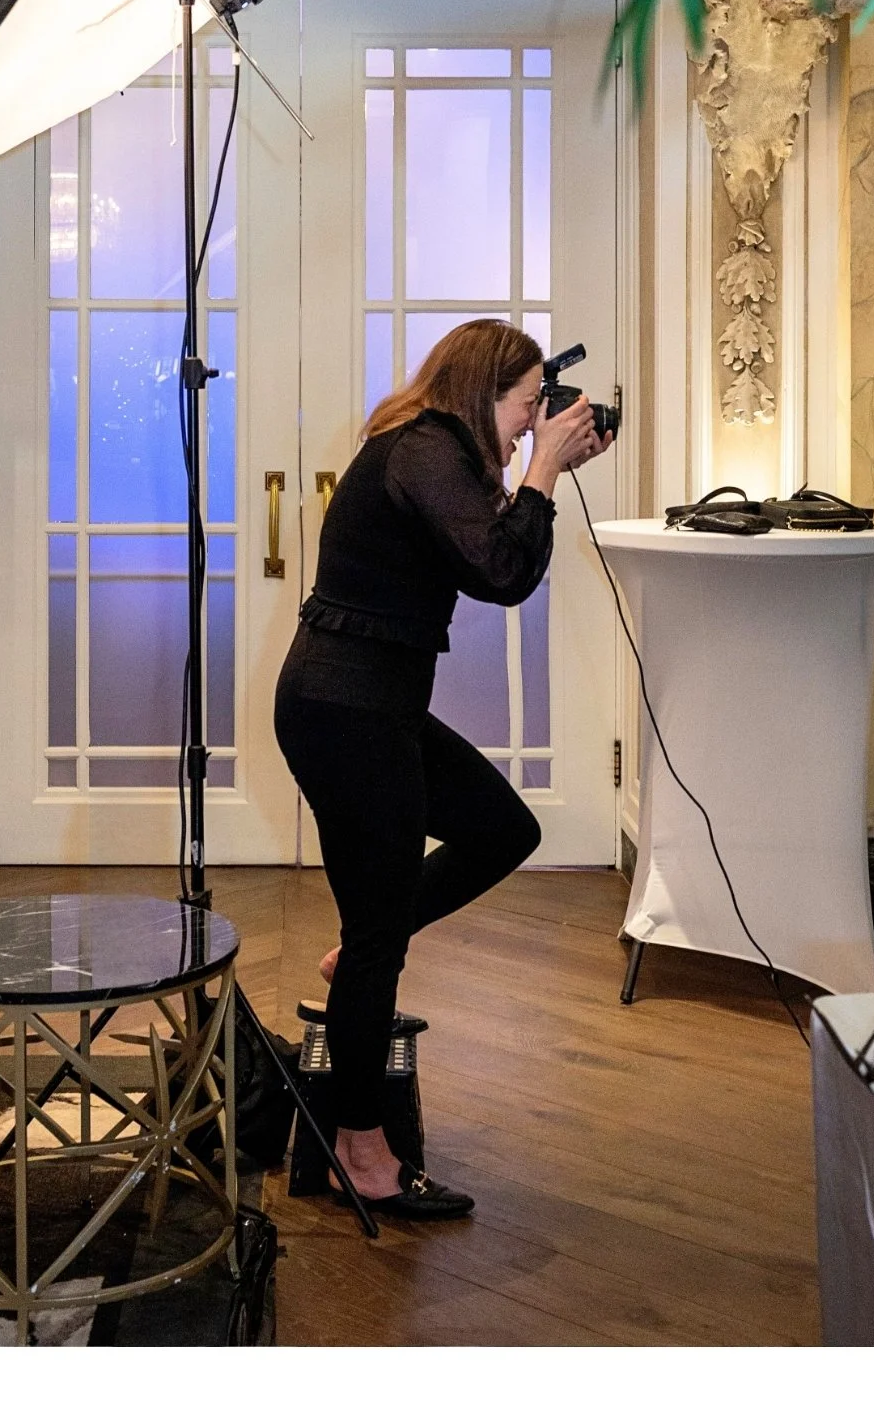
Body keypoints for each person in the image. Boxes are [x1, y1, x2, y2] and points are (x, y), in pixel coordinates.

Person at [273, 319, 613, 1220]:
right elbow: (501, 572)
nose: (533, 419)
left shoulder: (440, 454)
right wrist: (544, 471)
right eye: (527, 403)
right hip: (344, 711)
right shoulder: (423, 448)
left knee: (503, 830)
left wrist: (546, 470)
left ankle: (365, 943)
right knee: (377, 942)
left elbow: (497, 555)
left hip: (370, 706)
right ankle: (361, 1152)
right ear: (482, 390)